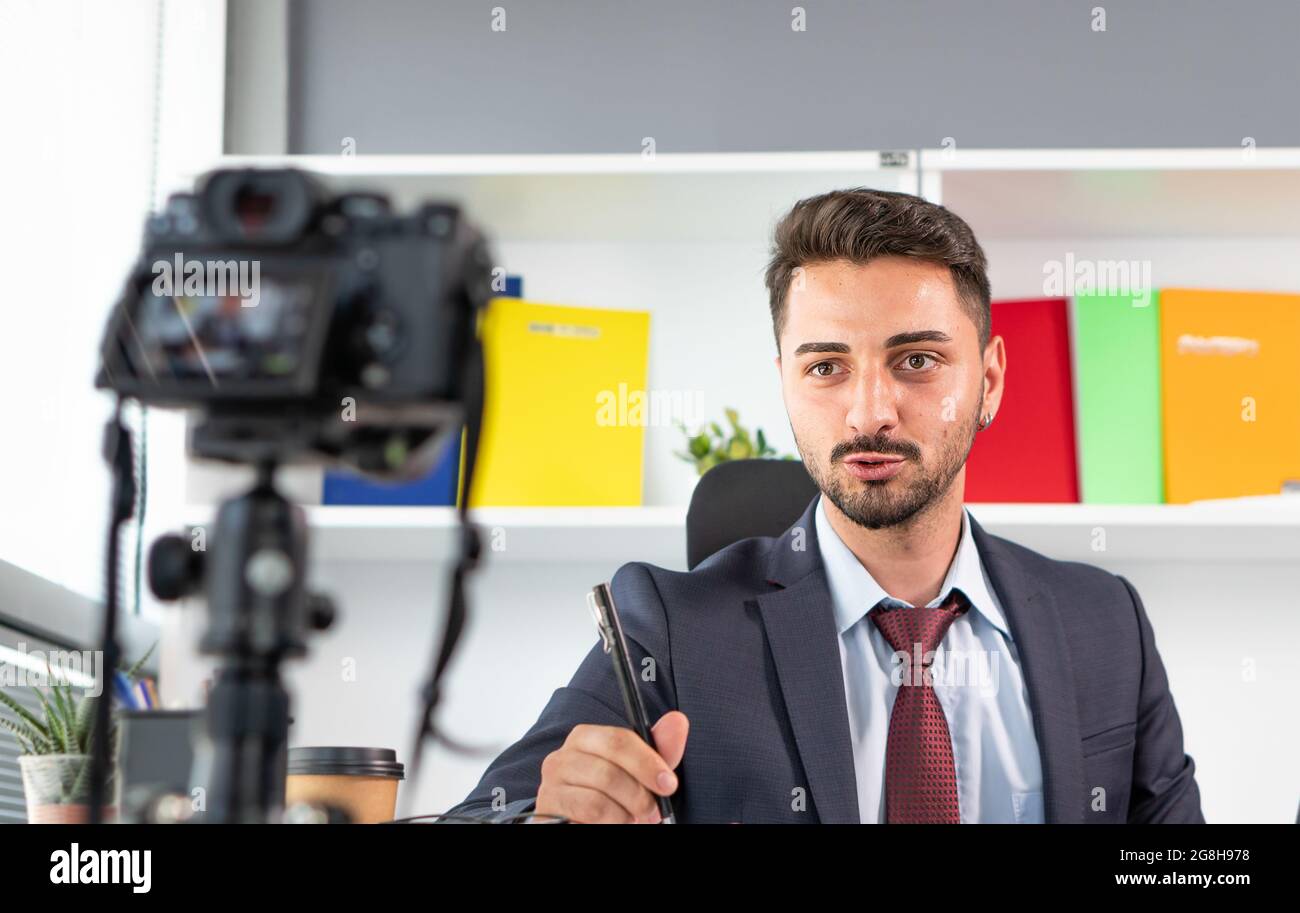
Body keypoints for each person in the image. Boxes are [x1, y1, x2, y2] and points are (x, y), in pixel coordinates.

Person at [445, 188, 1204, 824]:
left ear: (991, 380)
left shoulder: (1106, 622)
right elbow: (479, 814)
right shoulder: (670, 629)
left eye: (916, 360)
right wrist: (543, 815)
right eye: (827, 367)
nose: (868, 411)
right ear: (785, 380)